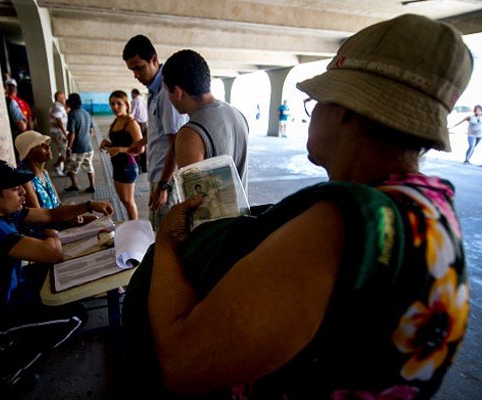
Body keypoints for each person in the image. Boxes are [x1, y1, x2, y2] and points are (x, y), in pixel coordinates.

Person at [122, 14, 471, 399]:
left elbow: (183, 361)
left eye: (316, 101)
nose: (312, 113)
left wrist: (170, 243)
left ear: (347, 111)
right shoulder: (433, 208)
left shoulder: (342, 223)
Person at [0, 159, 113, 395]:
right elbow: (52, 252)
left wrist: (88, 205)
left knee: (56, 285)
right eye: (15, 188)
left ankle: (12, 343)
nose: (22, 192)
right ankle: (9, 372)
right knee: (75, 317)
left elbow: (50, 214)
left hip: (6, 292)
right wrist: (52, 231)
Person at [123, 35, 189, 232]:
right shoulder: (153, 92)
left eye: (139, 67)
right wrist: (143, 141)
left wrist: (163, 186)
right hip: (159, 175)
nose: (136, 75)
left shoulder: (166, 94)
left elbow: (177, 144)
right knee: (160, 230)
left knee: (166, 236)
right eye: (132, 70)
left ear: (154, 59)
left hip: (166, 178)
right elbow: (162, 132)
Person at [162, 49, 249, 192]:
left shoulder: (190, 134)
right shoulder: (237, 114)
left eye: (167, 90)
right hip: (244, 213)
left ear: (178, 92)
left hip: (217, 216)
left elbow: (195, 202)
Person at [15, 130, 97, 227]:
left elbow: (58, 204)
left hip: (59, 220)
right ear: (29, 154)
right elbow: (40, 218)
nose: (48, 147)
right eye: (41, 145)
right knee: (96, 225)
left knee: (96, 221)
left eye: (46, 144)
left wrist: (72, 214)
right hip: (48, 231)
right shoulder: (25, 179)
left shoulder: (44, 173)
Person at [99, 90, 143, 220]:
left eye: (119, 104)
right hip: (117, 165)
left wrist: (119, 149)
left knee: (129, 202)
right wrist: (108, 143)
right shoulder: (116, 121)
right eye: (112, 104)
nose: (115, 107)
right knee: (123, 201)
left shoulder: (131, 123)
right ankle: (131, 226)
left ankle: (135, 229)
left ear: (127, 105)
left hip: (128, 166)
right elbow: (118, 142)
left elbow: (141, 149)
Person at [64, 93, 96, 193]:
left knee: (69, 168)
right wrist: (86, 140)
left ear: (71, 102)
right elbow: (91, 131)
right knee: (89, 167)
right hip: (88, 147)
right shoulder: (86, 113)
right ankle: (92, 186)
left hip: (78, 148)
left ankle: (75, 184)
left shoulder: (72, 114)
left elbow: (72, 133)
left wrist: (69, 147)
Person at [49, 91, 69, 176]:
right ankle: (57, 166)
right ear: (58, 98)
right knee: (64, 151)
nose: (65, 99)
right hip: (58, 133)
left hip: (60, 132)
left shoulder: (60, 107)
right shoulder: (57, 106)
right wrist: (65, 133)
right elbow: (59, 121)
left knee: (64, 150)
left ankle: (65, 169)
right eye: (63, 97)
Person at [131, 88, 149, 173]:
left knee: (137, 145)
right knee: (143, 145)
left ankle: (138, 168)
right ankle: (144, 167)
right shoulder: (143, 99)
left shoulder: (135, 100)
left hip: (138, 124)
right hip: (145, 124)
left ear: (134, 93)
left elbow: (132, 113)